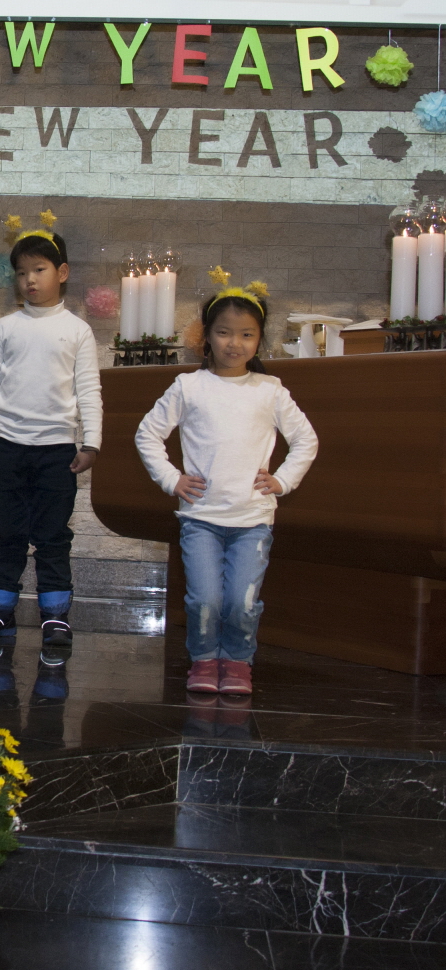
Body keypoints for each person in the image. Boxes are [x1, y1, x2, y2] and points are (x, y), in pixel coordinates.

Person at [134, 284, 317, 696]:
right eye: (224, 332)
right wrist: (172, 479)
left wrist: (283, 479)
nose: (234, 343)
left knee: (242, 600)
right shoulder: (188, 386)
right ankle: (203, 658)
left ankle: (236, 660)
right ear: (206, 336)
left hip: (253, 520)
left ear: (259, 339)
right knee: (204, 599)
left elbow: (306, 440)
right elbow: (148, 434)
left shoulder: (270, 391)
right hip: (200, 519)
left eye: (246, 334)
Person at [0, 229, 102, 651]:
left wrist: (91, 442)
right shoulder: (6, 328)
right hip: (8, 447)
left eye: (39, 270)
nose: (30, 280)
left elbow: (89, 389)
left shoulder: (78, 330)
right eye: (21, 273)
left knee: (53, 535)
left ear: (62, 272)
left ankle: (55, 616)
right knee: (8, 532)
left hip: (58, 451)